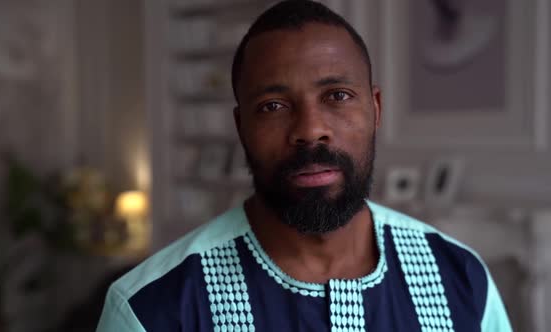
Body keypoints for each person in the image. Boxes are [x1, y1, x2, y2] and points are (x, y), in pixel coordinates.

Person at [97, 1, 512, 331]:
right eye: (273, 106)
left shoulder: (461, 277)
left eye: (338, 95)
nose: (310, 130)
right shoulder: (151, 309)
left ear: (376, 109)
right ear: (242, 127)